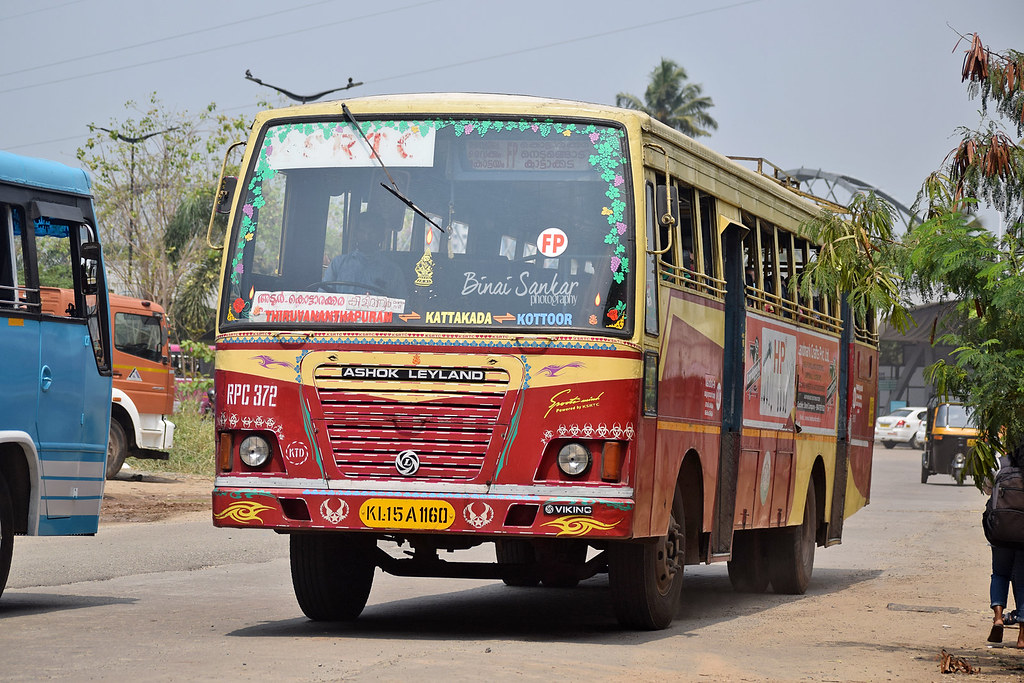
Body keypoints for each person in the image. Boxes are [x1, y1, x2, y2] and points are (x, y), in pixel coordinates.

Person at [322, 210, 408, 299]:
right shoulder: (338, 263)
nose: (367, 237)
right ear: (355, 234)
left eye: (372, 233)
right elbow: (322, 298)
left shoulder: (393, 271)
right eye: (362, 232)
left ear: (381, 236)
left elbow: (403, 307)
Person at [988, 446, 1024, 647]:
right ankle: (1021, 637)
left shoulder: (1000, 464)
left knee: (1000, 574)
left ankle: (999, 618)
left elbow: (987, 488)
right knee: (1023, 582)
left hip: (1002, 532)